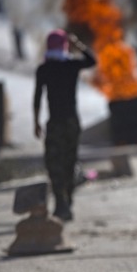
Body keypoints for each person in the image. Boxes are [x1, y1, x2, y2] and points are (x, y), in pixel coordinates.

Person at [33, 29, 96, 221]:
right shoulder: (71, 65)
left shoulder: (44, 69)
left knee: (54, 164)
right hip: (71, 123)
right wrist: (79, 45)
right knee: (69, 163)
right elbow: (92, 61)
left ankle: (62, 203)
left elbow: (37, 97)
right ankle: (65, 203)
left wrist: (35, 121)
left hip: (55, 123)